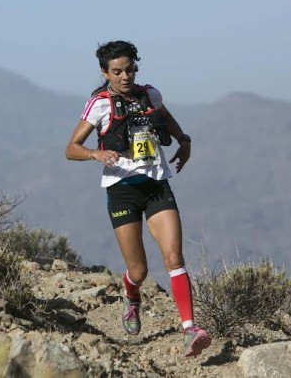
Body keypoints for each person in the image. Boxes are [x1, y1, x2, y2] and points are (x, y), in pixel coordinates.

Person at [65, 40, 211, 357]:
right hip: (122, 191)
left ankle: (189, 329)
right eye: (117, 72)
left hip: (157, 184)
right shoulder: (100, 104)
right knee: (140, 271)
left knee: (174, 257)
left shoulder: (150, 95)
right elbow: (71, 148)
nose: (125, 76)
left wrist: (184, 141)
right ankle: (131, 295)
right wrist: (94, 153)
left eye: (129, 69)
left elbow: (168, 119)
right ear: (105, 73)